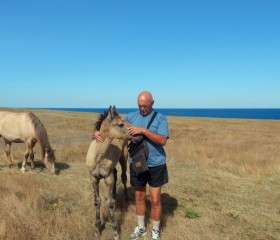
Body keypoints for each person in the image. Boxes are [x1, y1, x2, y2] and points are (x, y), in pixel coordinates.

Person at [93, 91, 169, 240]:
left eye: (145, 106)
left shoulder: (160, 119)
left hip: (156, 164)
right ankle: (141, 228)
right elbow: (114, 125)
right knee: (139, 198)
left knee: (155, 199)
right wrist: (96, 132)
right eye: (140, 106)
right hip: (137, 163)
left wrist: (144, 131)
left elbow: (162, 140)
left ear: (152, 103)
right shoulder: (132, 117)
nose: (142, 109)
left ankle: (155, 231)